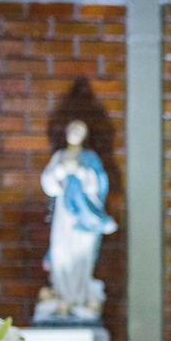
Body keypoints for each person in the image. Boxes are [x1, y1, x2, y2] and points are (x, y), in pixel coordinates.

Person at [38, 119, 117, 321]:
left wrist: (81, 172)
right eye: (72, 129)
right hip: (65, 216)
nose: (75, 134)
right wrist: (62, 170)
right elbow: (49, 184)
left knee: (82, 254)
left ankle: (81, 299)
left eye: (79, 131)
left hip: (84, 217)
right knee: (60, 253)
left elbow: (100, 183)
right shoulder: (60, 156)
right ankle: (62, 296)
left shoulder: (90, 157)